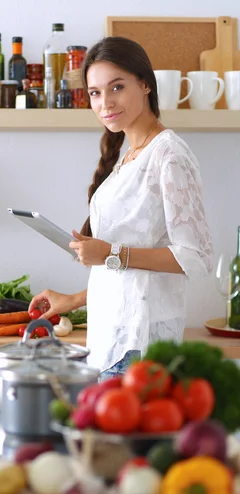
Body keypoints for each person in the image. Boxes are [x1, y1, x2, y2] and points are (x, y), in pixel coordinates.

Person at [29, 36, 213, 380]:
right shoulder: (129, 157)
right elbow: (130, 277)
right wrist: (73, 299)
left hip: (140, 348)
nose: (105, 103)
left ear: (144, 84)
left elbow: (197, 257)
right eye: (95, 93)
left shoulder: (169, 155)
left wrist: (111, 253)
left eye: (116, 87)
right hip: (110, 341)